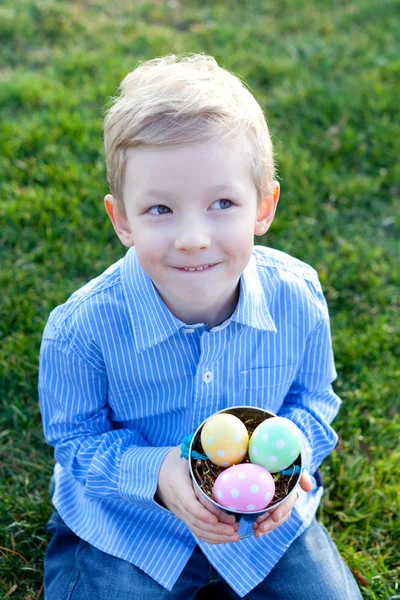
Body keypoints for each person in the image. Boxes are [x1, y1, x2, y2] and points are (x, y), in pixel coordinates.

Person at [39, 53, 362, 599]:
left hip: (264, 528)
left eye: (222, 203)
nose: (193, 237)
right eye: (161, 210)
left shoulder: (296, 298)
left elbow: (314, 400)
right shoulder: (82, 328)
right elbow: (75, 439)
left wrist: (289, 468)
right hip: (132, 525)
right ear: (122, 220)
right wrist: (159, 471)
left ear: (263, 207)